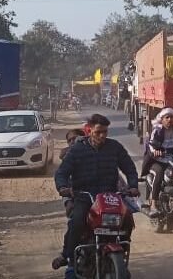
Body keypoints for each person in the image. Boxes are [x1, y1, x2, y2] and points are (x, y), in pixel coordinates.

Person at [54, 114, 140, 271]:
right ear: (89, 130)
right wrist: (63, 187)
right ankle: (68, 256)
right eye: (98, 132)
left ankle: (122, 250)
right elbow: (62, 173)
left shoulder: (115, 147)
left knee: (127, 219)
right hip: (84, 195)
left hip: (110, 196)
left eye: (105, 132)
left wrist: (133, 186)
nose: (102, 135)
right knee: (77, 221)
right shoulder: (77, 150)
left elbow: (129, 168)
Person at [141, 107, 173, 217]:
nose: (169, 120)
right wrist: (155, 151)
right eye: (167, 117)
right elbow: (150, 145)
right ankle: (153, 204)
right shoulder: (157, 131)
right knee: (159, 173)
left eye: (171, 117)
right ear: (162, 119)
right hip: (157, 161)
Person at [51, 128, 84, 270]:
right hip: (77, 198)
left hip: (100, 197)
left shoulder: (97, 153)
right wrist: (67, 197)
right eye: (69, 140)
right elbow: (61, 176)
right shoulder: (68, 157)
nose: (72, 142)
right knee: (75, 223)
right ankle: (67, 256)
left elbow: (115, 175)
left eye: (75, 139)